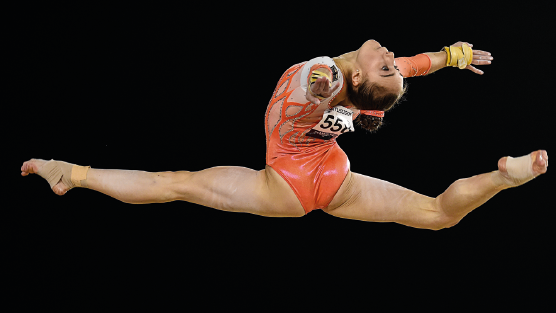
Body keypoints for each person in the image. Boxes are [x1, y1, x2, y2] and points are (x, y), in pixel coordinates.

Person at [20, 39, 548, 230]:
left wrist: (321, 84)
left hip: (288, 183)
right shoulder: (367, 84)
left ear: (358, 80)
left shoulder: (332, 77)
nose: (391, 57)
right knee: (438, 215)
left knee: (174, 184)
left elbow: (324, 82)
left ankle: (73, 173)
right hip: (334, 177)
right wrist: (453, 56)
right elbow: (416, 64)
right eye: (392, 65)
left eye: (385, 67)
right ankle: (508, 177)